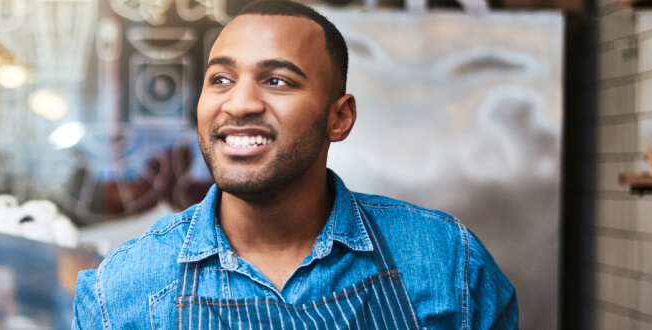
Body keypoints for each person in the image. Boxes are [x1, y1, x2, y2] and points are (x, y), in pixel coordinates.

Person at [71, 1, 518, 329]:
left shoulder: (447, 263)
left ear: (339, 118)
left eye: (277, 80)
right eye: (221, 79)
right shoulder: (121, 291)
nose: (240, 102)